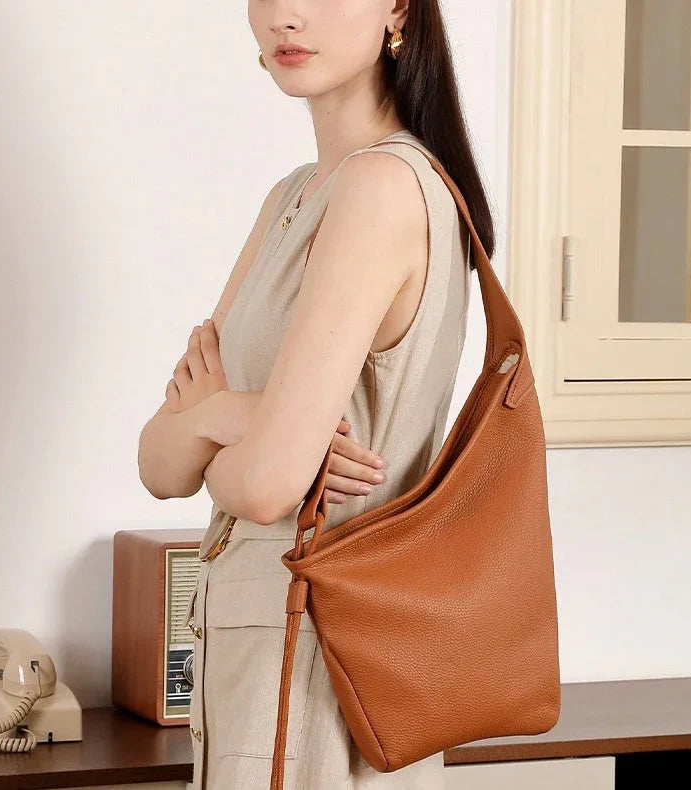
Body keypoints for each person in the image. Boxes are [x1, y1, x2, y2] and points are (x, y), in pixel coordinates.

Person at [138, 1, 495, 787]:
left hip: (315, 667)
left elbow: (264, 488)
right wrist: (231, 414)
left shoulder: (381, 188)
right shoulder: (295, 195)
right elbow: (159, 465)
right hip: (260, 662)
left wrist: (218, 433)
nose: (287, 15)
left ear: (397, 8)